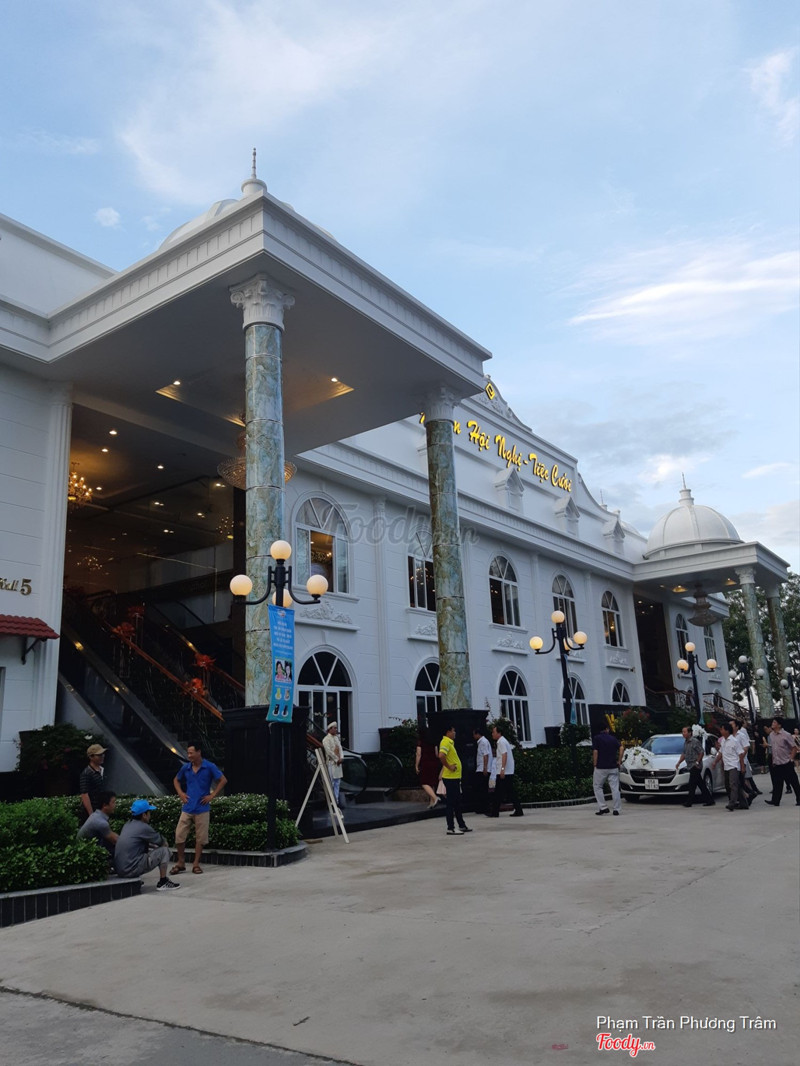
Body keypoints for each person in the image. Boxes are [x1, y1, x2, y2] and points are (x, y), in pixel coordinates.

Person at [170, 742, 227, 875]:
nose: (189, 755)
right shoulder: (186, 767)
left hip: (202, 808)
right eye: (188, 753)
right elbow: (176, 780)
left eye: (191, 753)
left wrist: (212, 795)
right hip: (188, 807)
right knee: (179, 835)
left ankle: (196, 864)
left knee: (200, 838)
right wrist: (181, 793)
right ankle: (181, 862)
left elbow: (223, 780)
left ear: (198, 752)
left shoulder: (209, 766)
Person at [114, 799, 179, 890]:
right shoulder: (144, 827)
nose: (150, 815)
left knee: (147, 850)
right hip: (130, 869)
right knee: (164, 851)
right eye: (149, 813)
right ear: (144, 815)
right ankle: (163, 882)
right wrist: (165, 851)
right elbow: (162, 842)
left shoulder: (127, 825)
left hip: (121, 870)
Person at [439, 724, 472, 835]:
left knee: (457, 802)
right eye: (453, 731)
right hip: (450, 777)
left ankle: (461, 825)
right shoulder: (445, 742)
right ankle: (451, 827)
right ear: (448, 732)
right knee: (451, 803)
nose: (455, 733)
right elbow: (441, 755)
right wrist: (449, 766)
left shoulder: (450, 743)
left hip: (455, 777)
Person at [764, 717, 800, 806]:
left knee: (794, 782)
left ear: (779, 725)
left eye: (774, 722)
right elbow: (774, 748)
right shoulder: (771, 735)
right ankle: (775, 800)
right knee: (777, 783)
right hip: (776, 762)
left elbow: (794, 747)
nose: (772, 724)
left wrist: (791, 759)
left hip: (786, 762)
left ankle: (799, 799)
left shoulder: (786, 735)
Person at [675, 725, 715, 807]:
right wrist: (679, 762)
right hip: (690, 765)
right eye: (682, 732)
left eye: (684, 732)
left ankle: (689, 801)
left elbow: (701, 752)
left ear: (690, 733)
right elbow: (684, 754)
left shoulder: (695, 741)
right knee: (701, 784)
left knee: (692, 784)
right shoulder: (685, 742)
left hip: (695, 766)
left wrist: (697, 762)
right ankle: (709, 800)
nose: (683, 733)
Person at [489, 725, 523, 817]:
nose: (492, 734)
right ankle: (518, 809)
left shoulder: (501, 742)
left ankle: (495, 812)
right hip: (507, 771)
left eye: (494, 732)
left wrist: (502, 769)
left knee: (499, 792)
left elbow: (504, 755)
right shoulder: (502, 741)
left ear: (499, 733)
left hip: (504, 771)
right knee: (509, 791)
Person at [713, 721, 748, 811]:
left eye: (722, 729)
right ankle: (743, 803)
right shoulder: (723, 741)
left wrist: (742, 767)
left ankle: (732, 803)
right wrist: (715, 762)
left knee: (733, 785)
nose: (720, 731)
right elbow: (720, 753)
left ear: (727, 731)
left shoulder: (734, 741)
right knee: (731, 785)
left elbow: (740, 754)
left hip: (734, 766)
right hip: (726, 766)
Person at [592, 721, 622, 816]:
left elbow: (595, 751)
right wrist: (619, 760)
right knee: (615, 788)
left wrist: (595, 763)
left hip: (601, 767)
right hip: (613, 767)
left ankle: (603, 807)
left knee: (597, 786)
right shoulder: (613, 738)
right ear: (607, 729)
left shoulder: (597, 738)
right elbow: (621, 748)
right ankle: (616, 809)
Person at [77, 790, 119, 856]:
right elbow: (115, 840)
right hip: (86, 854)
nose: (115, 805)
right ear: (105, 805)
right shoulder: (100, 822)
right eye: (113, 802)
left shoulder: (96, 815)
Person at [731, 719, 760, 802]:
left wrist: (740, 758)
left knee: (739, 781)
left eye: (732, 724)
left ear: (737, 726)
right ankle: (748, 795)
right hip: (733, 762)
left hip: (741, 761)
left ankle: (749, 794)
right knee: (739, 782)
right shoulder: (730, 736)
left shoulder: (741, 735)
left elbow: (746, 747)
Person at [79, 744, 108, 820]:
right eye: (99, 755)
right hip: (91, 813)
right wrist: (91, 815)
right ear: (91, 757)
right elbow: (84, 794)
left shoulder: (102, 770)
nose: (102, 756)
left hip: (101, 810)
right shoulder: (86, 773)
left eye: (103, 754)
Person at [415, 728, 440, 808]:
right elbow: (437, 754)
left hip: (425, 763)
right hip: (434, 763)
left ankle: (435, 798)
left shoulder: (420, 742)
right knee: (431, 782)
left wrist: (416, 765)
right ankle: (431, 802)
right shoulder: (433, 741)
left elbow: (418, 754)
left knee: (424, 782)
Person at [322, 721, 345, 808]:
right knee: (331, 782)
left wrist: (341, 757)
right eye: (334, 728)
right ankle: (331, 801)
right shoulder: (326, 739)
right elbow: (329, 752)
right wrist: (336, 759)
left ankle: (336, 800)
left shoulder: (336, 738)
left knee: (337, 782)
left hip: (338, 763)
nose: (336, 730)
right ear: (330, 729)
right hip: (331, 763)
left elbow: (340, 748)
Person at [472, 727, 492, 814]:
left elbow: (485, 755)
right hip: (481, 768)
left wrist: (485, 768)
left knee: (482, 789)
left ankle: (485, 807)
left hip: (482, 769)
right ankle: (482, 807)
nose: (473, 736)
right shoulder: (482, 742)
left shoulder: (483, 742)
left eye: (474, 734)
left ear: (477, 734)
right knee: (481, 788)